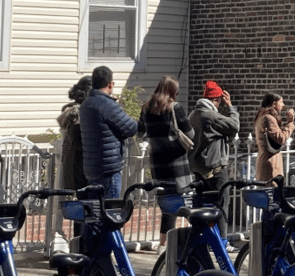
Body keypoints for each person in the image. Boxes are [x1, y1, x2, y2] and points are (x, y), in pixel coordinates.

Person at [139, 76, 194, 238]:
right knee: (185, 203)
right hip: (177, 163)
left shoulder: (146, 108)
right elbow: (190, 133)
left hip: (157, 163)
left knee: (168, 205)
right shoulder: (174, 108)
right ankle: (190, 240)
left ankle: (163, 245)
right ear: (172, 91)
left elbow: (140, 132)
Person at [80, 65, 139, 199]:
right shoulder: (106, 104)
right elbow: (131, 128)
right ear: (110, 84)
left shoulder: (86, 104)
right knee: (109, 213)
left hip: (91, 167)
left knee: (95, 212)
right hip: (108, 169)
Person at [190, 81, 241, 198]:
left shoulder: (193, 115)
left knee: (204, 207)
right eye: (219, 102)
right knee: (221, 205)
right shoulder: (211, 116)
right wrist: (230, 106)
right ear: (215, 100)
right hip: (214, 168)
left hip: (198, 168)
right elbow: (235, 126)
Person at [56, 77, 92, 191]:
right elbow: (78, 141)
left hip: (73, 162)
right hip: (80, 164)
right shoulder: (78, 112)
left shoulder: (71, 109)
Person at [252, 93, 292, 181]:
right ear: (274, 104)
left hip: (266, 160)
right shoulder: (268, 118)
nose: (283, 105)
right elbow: (281, 138)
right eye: (281, 102)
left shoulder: (262, 116)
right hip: (270, 162)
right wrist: (290, 123)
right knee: (271, 191)